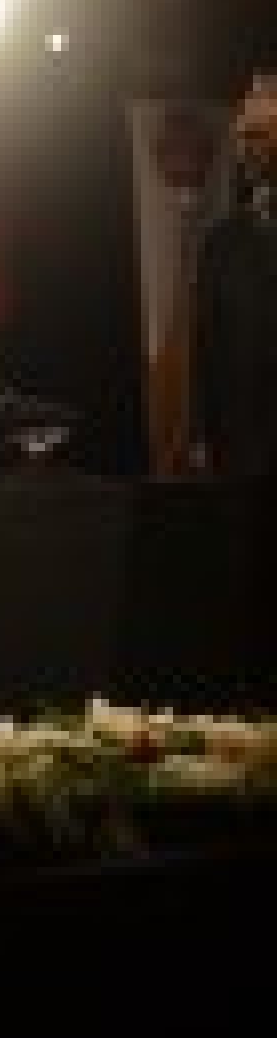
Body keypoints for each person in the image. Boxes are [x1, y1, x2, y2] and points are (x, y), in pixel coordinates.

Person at [192, 68, 277, 709]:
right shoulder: (222, 242)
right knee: (247, 599)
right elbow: (208, 347)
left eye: (259, 134)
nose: (246, 147)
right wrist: (202, 435)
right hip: (243, 455)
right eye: (243, 135)